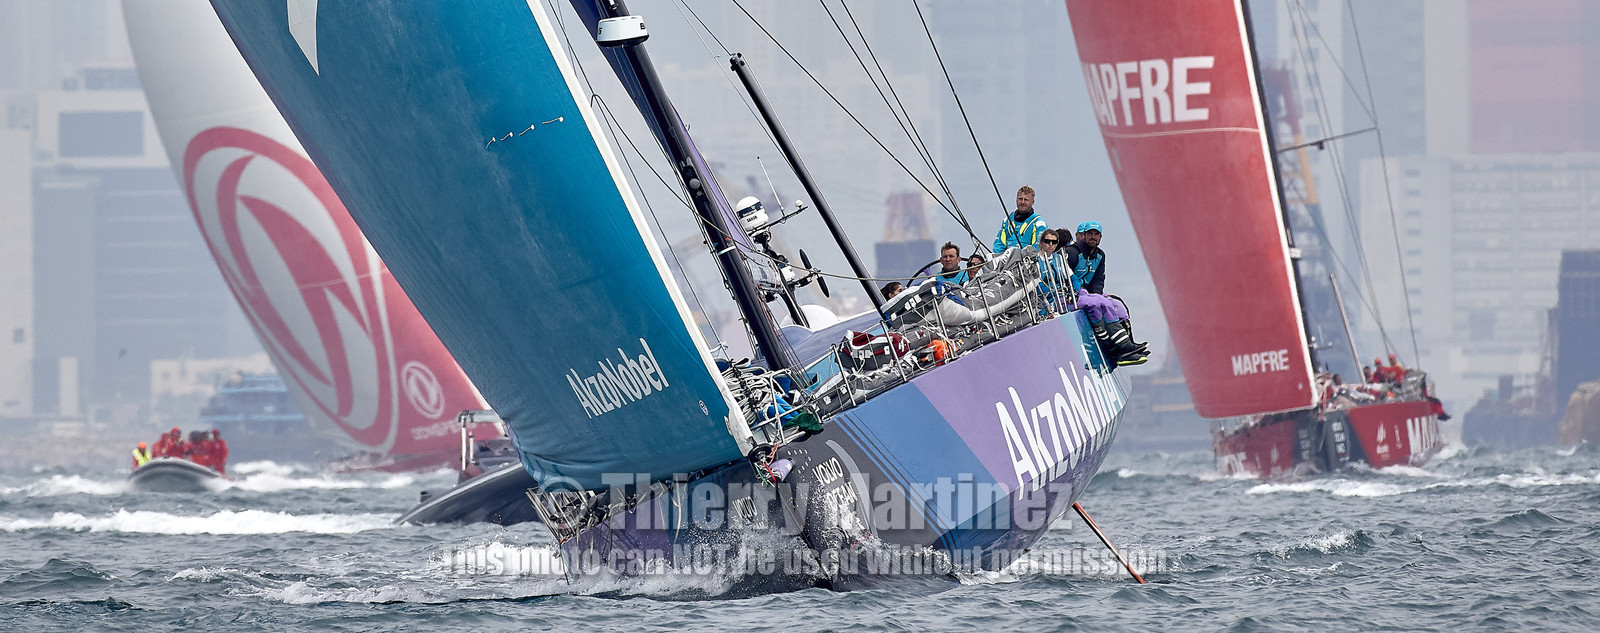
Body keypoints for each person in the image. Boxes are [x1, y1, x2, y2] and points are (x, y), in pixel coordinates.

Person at [1061, 220, 1148, 366]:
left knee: (1118, 305)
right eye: (1090, 234)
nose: (1093, 237)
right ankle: (1112, 347)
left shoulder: (1100, 255)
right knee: (1099, 303)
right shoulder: (1073, 253)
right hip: (1073, 296)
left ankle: (1127, 347)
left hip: (1089, 294)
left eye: (1096, 234)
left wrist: (1096, 294)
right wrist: (1089, 296)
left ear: (1100, 237)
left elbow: (1098, 281)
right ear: (1084, 235)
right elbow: (1063, 278)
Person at [991, 186, 1049, 254]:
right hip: (1007, 259)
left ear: (1032, 202)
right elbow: (998, 246)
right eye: (1020, 199)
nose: (1022, 202)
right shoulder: (1007, 221)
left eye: (1026, 200)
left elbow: (1037, 249)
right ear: (1016, 199)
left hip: (1027, 259)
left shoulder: (1039, 224)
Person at [1035, 229, 1074, 312]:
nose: (1050, 244)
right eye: (1047, 241)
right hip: (1049, 300)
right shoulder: (1035, 261)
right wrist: (1058, 293)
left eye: (1054, 242)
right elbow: (1039, 288)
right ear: (1041, 242)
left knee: (1091, 298)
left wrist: (1075, 292)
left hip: (1065, 296)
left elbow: (1073, 278)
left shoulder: (1059, 258)